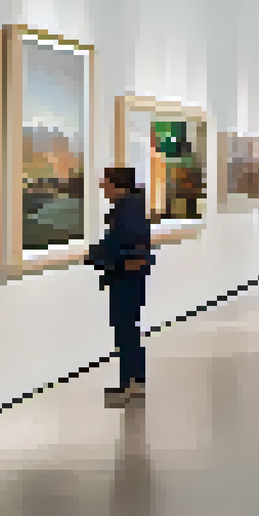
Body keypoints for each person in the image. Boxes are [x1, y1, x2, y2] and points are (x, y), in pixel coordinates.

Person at [86, 167, 155, 408]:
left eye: (106, 184)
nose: (103, 188)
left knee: (125, 329)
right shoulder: (131, 208)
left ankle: (129, 383)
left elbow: (123, 245)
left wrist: (96, 255)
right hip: (129, 275)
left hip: (126, 277)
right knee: (129, 329)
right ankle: (135, 381)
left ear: (118, 186)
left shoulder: (127, 211)